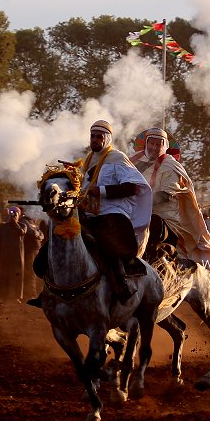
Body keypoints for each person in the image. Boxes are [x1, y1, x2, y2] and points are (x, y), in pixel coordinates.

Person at [27, 119, 152, 307]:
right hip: (89, 214)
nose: (94, 140)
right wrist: (74, 174)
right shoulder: (89, 159)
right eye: (92, 136)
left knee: (106, 244)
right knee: (56, 241)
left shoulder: (117, 158)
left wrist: (100, 191)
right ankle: (48, 291)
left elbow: (133, 187)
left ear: (107, 138)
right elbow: (84, 188)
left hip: (112, 214)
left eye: (98, 137)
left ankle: (122, 285)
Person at [130, 127, 210, 271]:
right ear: (145, 144)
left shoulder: (170, 165)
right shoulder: (133, 162)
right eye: (151, 143)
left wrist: (135, 201)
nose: (154, 147)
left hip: (165, 218)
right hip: (134, 213)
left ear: (164, 146)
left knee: (154, 226)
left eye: (158, 144)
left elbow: (164, 196)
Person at [0, 206, 26, 301]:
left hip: (17, 255)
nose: (13, 215)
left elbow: (22, 232)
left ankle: (17, 297)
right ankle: (1, 296)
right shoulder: (3, 226)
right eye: (11, 213)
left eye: (15, 213)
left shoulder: (22, 225)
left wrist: (14, 223)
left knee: (17, 276)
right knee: (4, 275)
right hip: (4, 254)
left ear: (19, 215)